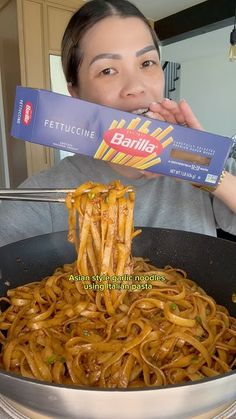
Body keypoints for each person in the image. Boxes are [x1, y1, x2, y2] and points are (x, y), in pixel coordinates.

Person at [0, 0, 236, 247]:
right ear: (76, 93)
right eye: (108, 70)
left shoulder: (208, 167)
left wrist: (204, 171)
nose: (136, 86)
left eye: (147, 63)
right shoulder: (48, 190)